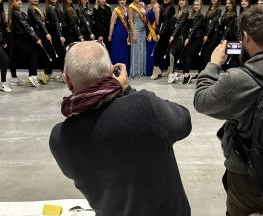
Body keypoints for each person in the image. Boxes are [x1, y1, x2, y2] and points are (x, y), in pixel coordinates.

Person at [49, 41, 192, 216]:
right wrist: (126, 90)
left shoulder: (60, 139)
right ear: (112, 72)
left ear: (67, 81)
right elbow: (184, 121)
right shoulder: (145, 107)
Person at [194, 5, 263, 216]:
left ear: (245, 37)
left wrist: (212, 64)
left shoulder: (239, 79)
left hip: (246, 174)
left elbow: (201, 100)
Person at [7, 0, 42, 87]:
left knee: (13, 58)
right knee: (34, 54)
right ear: (12, 3)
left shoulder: (18, 12)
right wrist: (36, 38)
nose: (20, 2)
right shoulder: (17, 13)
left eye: (20, 0)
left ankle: (15, 78)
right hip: (21, 39)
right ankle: (33, 76)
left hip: (18, 39)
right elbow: (26, 27)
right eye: (17, 1)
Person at [27, 0, 53, 85]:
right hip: (39, 35)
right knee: (44, 55)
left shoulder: (36, 9)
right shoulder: (32, 9)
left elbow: (42, 21)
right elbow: (39, 22)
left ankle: (39, 76)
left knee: (39, 56)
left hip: (40, 34)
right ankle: (39, 76)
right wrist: (46, 33)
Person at [151, 0, 176, 80]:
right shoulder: (161, 7)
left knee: (163, 51)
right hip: (161, 33)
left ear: (171, 0)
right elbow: (159, 22)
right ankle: (157, 69)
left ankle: (167, 69)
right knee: (159, 51)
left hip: (167, 34)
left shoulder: (171, 9)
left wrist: (160, 34)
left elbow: (166, 23)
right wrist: (158, 32)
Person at [180, 0, 204, 84]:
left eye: (198, 5)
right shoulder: (192, 15)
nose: (196, 6)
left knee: (188, 55)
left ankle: (187, 75)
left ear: (201, 6)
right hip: (190, 38)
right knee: (185, 55)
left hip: (196, 39)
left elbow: (195, 28)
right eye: (194, 5)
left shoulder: (201, 16)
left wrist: (188, 38)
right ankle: (185, 74)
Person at [167, 0, 189, 84]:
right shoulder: (178, 11)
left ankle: (172, 72)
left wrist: (173, 35)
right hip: (175, 36)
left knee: (172, 52)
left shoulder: (185, 12)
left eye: (183, 0)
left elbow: (179, 25)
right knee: (171, 53)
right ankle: (172, 71)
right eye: (179, 0)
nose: (180, 2)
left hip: (180, 36)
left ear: (186, 2)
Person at [45, 0, 66, 75]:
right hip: (55, 34)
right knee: (58, 54)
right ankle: (48, 73)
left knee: (59, 54)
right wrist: (60, 35)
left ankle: (50, 73)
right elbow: (56, 22)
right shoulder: (51, 8)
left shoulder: (55, 7)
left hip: (56, 33)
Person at [200, 0, 223, 69]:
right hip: (207, 33)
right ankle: (203, 70)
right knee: (204, 52)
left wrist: (207, 35)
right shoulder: (210, 8)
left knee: (209, 52)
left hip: (213, 34)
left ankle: (208, 71)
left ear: (218, 0)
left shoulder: (218, 10)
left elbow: (213, 23)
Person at [128, 0, 147, 78]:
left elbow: (144, 19)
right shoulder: (131, 7)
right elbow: (130, 21)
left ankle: (141, 71)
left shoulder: (142, 5)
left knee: (142, 50)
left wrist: (144, 18)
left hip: (143, 30)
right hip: (136, 30)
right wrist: (134, 32)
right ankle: (135, 72)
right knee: (136, 51)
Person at [108, 0, 130, 71]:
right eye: (120, 0)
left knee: (124, 51)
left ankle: (124, 70)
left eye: (123, 0)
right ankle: (115, 70)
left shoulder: (127, 10)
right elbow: (112, 24)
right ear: (118, 1)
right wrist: (110, 35)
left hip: (125, 33)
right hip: (117, 33)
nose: (122, 1)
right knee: (117, 51)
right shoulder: (115, 11)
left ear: (126, 1)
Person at [145, 0, 160, 77]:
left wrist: (152, 30)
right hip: (147, 30)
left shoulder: (156, 7)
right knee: (148, 51)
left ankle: (152, 70)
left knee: (152, 51)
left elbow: (157, 22)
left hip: (153, 32)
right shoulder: (148, 6)